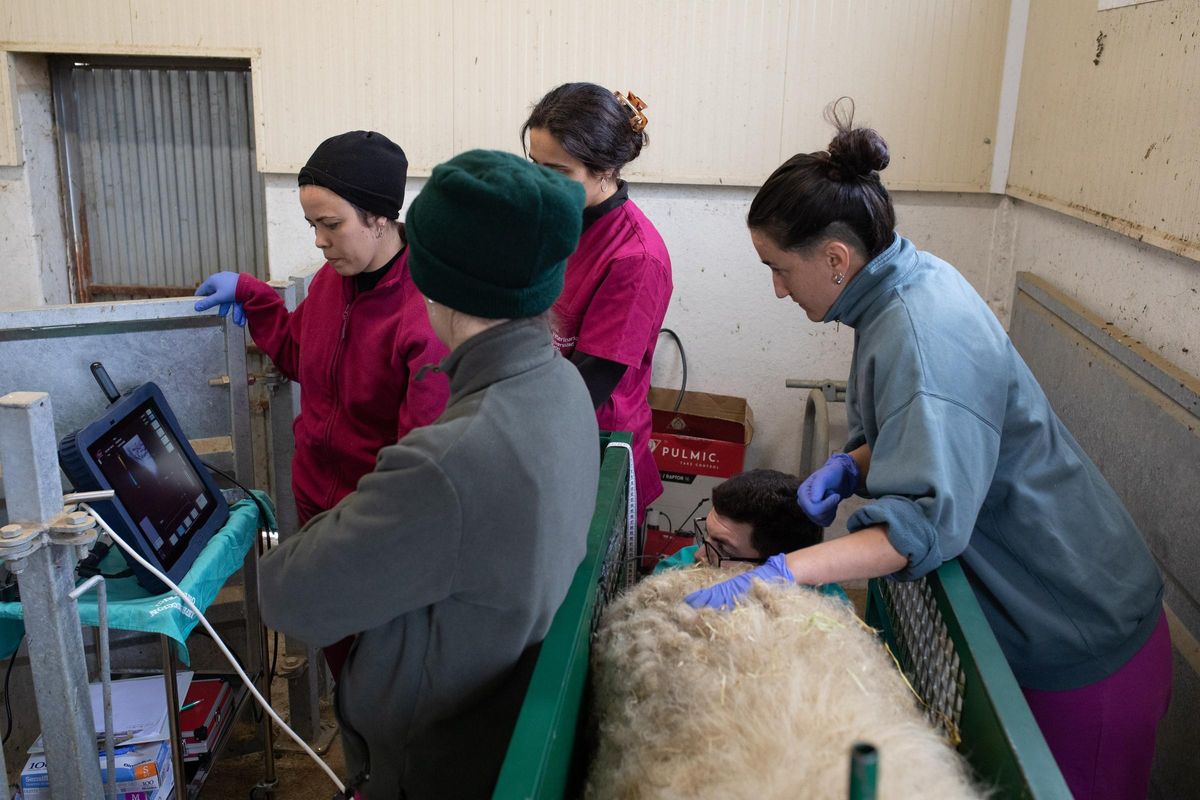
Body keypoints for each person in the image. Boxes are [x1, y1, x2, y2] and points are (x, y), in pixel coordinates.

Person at [685, 102, 1171, 799]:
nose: (776, 288)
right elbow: (927, 432)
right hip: (1036, 606)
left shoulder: (918, 329)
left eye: (779, 269)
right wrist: (852, 463)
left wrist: (783, 573)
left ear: (834, 256)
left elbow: (918, 530)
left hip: (1075, 634)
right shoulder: (897, 290)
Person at [258, 149, 600, 800]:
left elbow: (290, 596)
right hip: (503, 719)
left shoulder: (449, 462)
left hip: (433, 761)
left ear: (433, 280)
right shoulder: (562, 388)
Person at [193, 131, 450, 677]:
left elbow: (420, 459)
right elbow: (296, 355)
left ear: (379, 217)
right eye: (312, 225)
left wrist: (372, 537)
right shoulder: (333, 284)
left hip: (375, 524)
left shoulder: (422, 315)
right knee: (340, 652)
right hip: (316, 507)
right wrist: (255, 296)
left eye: (330, 224)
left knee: (381, 668)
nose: (318, 241)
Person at [522, 83, 673, 525]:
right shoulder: (554, 219)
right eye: (535, 165)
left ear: (605, 169)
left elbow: (590, 382)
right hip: (543, 429)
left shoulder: (635, 258)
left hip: (594, 447)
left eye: (558, 171)